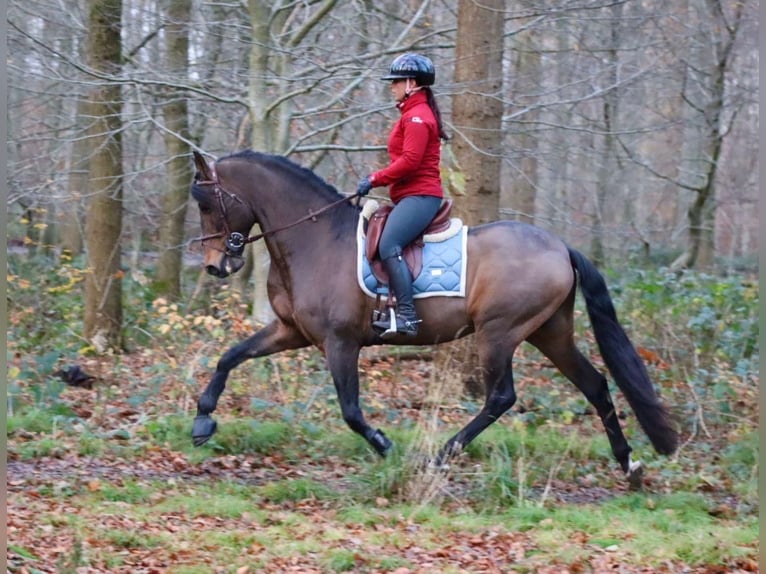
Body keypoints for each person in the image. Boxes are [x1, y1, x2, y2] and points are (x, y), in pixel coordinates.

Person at [356, 53, 450, 338]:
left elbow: (409, 162)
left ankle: (407, 316)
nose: (391, 87)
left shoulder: (418, 117)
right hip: (410, 195)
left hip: (422, 196)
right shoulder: (411, 114)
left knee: (389, 244)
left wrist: (374, 179)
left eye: (395, 82)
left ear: (411, 83)